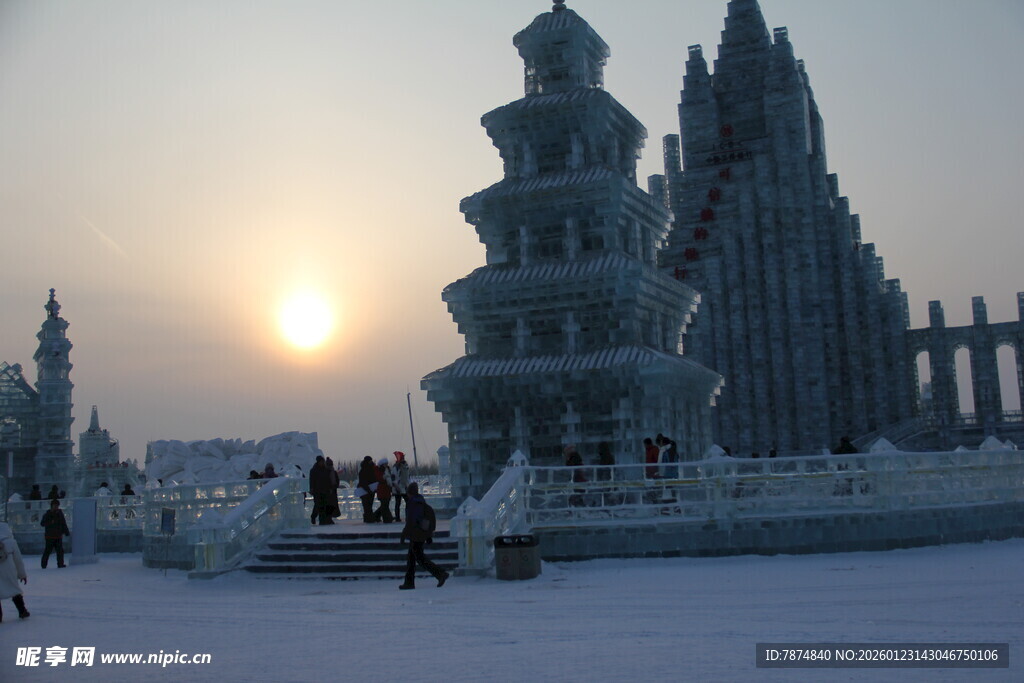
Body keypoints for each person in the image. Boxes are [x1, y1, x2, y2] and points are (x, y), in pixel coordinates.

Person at [398, 482, 448, 590]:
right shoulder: (421, 502)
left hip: (416, 535)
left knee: (420, 559)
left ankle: (440, 573)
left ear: (409, 493)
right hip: (419, 535)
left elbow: (411, 522)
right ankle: (409, 582)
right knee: (411, 559)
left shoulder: (413, 504)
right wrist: (428, 535)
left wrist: (403, 535)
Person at [0, 521, 30, 622]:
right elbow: (18, 560)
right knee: (15, 590)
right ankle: (22, 611)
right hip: (10, 572)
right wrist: (22, 575)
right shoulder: (11, 542)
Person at [40, 498, 70, 569]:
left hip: (58, 536)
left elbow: (63, 523)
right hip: (49, 536)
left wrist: (66, 531)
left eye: (57, 505)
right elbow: (42, 523)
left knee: (60, 551)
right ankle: (43, 565)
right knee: (47, 551)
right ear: (51, 506)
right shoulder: (47, 514)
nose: (56, 507)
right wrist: (49, 521)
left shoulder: (60, 514)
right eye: (55, 505)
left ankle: (60, 564)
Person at [308, 456, 334, 526]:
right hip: (317, 490)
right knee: (318, 505)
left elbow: (328, 480)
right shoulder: (313, 470)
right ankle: (313, 516)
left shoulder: (325, 470)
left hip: (325, 490)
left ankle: (323, 520)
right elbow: (311, 480)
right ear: (318, 462)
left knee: (324, 505)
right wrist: (311, 489)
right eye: (321, 462)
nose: (322, 463)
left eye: (323, 462)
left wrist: (330, 488)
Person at [356, 456, 378, 523]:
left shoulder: (369, 469)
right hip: (366, 491)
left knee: (368, 506)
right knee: (367, 506)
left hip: (369, 490)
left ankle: (369, 518)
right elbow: (363, 482)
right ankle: (369, 519)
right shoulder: (364, 471)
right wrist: (369, 489)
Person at [388, 451, 410, 522]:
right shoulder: (396, 467)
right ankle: (398, 517)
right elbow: (393, 477)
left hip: (404, 487)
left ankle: (408, 516)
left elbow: (407, 477)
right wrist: (396, 486)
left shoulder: (405, 466)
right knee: (398, 503)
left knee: (408, 502)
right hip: (398, 488)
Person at [373, 458, 394, 523]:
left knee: (384, 505)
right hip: (382, 490)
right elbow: (379, 478)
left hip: (387, 490)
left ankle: (375, 516)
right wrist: (385, 478)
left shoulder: (387, 470)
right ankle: (387, 518)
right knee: (384, 505)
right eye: (385, 464)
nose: (386, 465)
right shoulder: (378, 470)